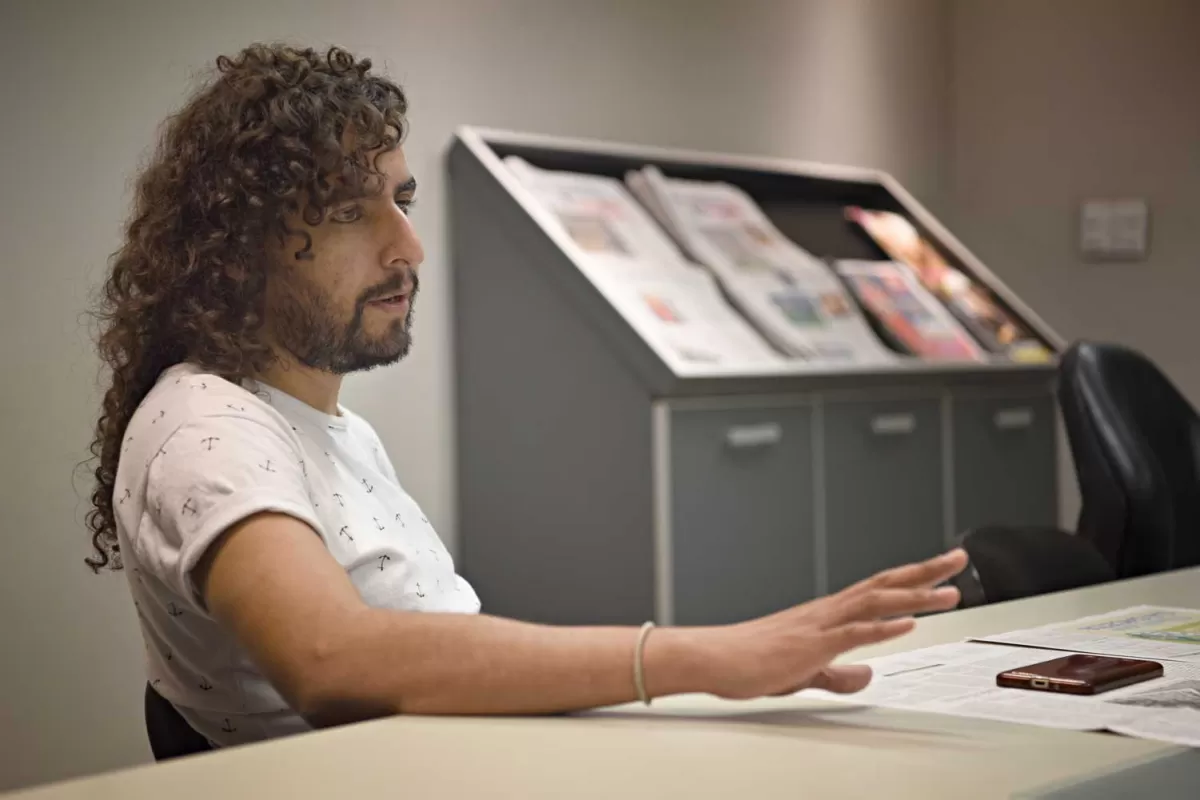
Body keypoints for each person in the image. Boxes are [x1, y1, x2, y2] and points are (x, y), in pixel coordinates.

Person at [87, 42, 967, 748]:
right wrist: (711, 656)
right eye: (353, 211)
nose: (410, 248)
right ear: (242, 246)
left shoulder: (322, 424)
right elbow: (332, 658)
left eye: (402, 200)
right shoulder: (203, 424)